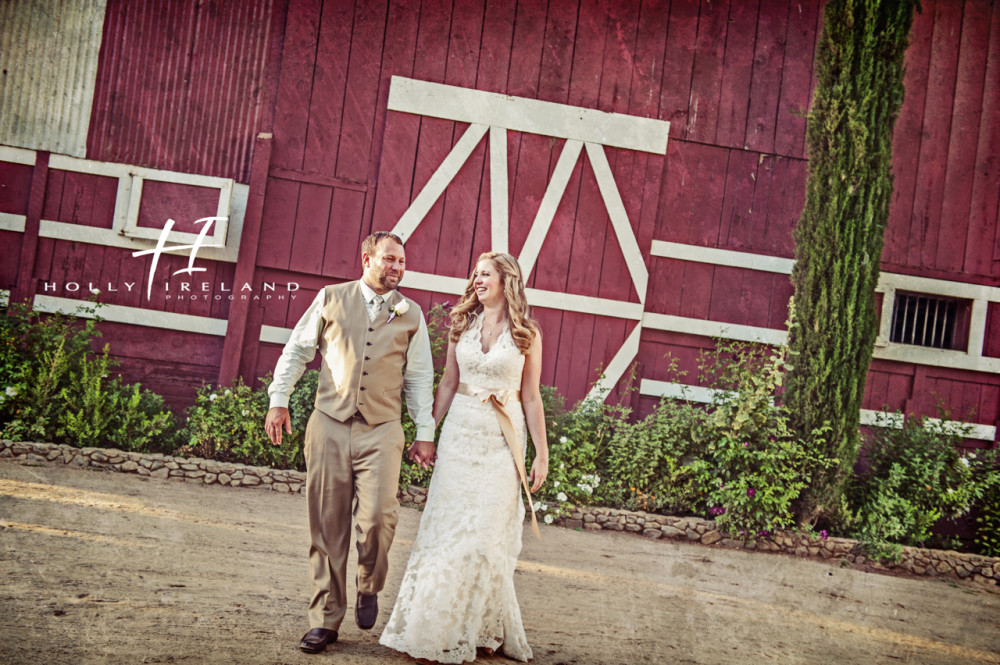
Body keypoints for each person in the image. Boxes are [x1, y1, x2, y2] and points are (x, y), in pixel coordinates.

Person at [264, 231, 436, 654]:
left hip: (382, 428)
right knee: (326, 523)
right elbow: (297, 352)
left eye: (402, 261)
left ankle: (369, 584)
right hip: (330, 423)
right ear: (366, 259)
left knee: (378, 517)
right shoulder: (330, 297)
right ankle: (324, 619)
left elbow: (418, 378)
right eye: (389, 259)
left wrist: (425, 432)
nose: (397, 267)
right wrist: (279, 400)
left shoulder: (411, 314)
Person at [380, 251, 549, 664]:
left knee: (485, 537)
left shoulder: (527, 332)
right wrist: (427, 433)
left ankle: (481, 627)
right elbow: (448, 383)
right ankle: (435, 630)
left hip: (502, 441)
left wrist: (542, 454)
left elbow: (531, 395)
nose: (476, 280)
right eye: (474, 274)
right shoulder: (462, 324)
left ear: (506, 280)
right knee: (447, 531)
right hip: (459, 436)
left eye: (485, 274)